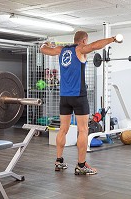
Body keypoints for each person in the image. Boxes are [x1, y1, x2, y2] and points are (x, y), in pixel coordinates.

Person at [40, 31, 121, 175]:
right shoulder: (80, 49)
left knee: (63, 129)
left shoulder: (61, 50)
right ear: (83, 40)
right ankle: (81, 165)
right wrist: (113, 39)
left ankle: (59, 161)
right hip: (78, 96)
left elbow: (44, 50)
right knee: (83, 130)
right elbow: (95, 46)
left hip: (64, 97)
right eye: (86, 41)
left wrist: (45, 44)